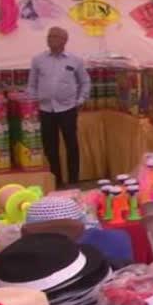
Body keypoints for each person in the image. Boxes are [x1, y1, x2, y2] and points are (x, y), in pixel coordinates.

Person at [27, 27, 90, 186]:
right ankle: (57, 181)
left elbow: (85, 82)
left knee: (71, 145)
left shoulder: (75, 60)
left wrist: (81, 99)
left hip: (68, 109)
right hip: (45, 109)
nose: (50, 39)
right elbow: (32, 84)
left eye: (55, 36)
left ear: (64, 40)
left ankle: (74, 181)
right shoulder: (38, 60)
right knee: (50, 147)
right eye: (49, 36)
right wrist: (33, 103)